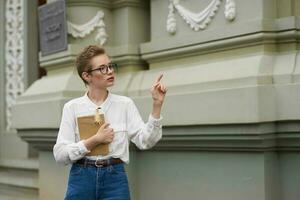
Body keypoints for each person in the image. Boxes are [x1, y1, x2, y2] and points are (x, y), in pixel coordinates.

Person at [53, 45, 167, 200]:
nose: (110, 71)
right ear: (87, 76)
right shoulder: (72, 108)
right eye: (102, 68)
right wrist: (94, 141)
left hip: (115, 179)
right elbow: (60, 155)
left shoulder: (125, 104)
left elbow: (145, 141)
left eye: (110, 66)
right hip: (81, 178)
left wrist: (157, 105)